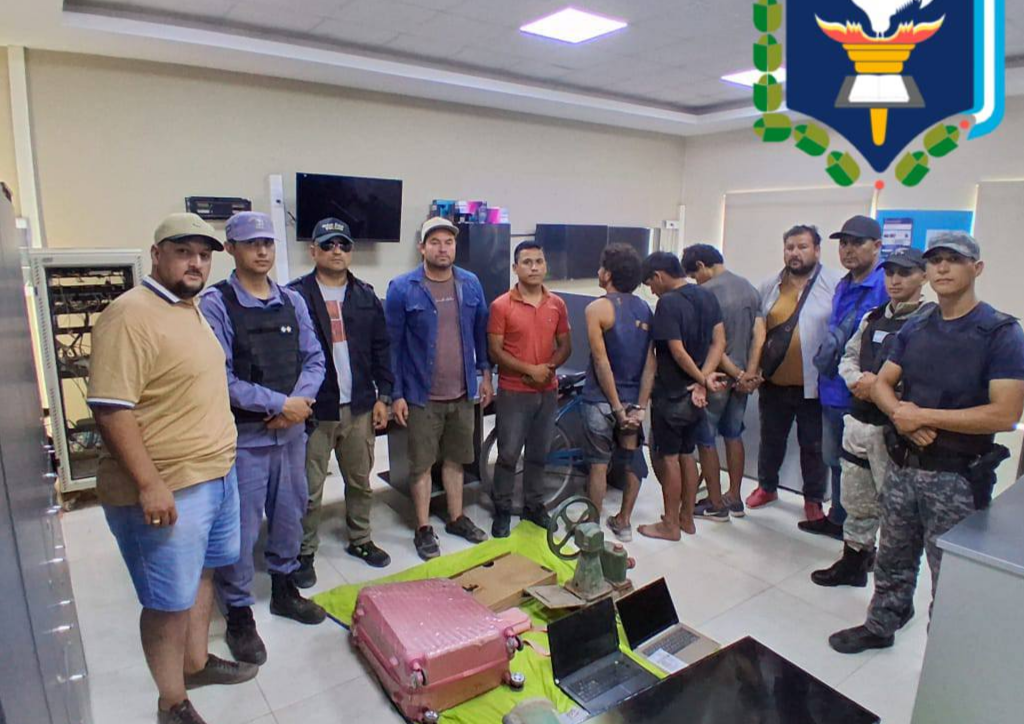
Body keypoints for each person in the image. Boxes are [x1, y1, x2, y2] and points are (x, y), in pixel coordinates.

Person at [87, 213, 256, 724]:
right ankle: (171, 702)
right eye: (184, 252)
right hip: (169, 488)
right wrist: (150, 484)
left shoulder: (189, 308)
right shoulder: (129, 315)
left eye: (203, 255)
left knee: (203, 575)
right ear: (157, 255)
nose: (196, 263)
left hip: (215, 475)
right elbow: (111, 409)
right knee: (167, 602)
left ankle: (195, 663)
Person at [830, 232, 1024, 654]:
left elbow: (1006, 414)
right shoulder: (917, 324)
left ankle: (945, 656)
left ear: (977, 268)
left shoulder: (1000, 332)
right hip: (904, 463)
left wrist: (923, 417)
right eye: (936, 260)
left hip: (956, 476)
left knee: (949, 572)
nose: (943, 268)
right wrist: (902, 415)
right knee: (893, 556)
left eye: (954, 260)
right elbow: (882, 383)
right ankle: (881, 624)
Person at [200, 212, 327, 667]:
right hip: (245, 440)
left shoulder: (292, 300)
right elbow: (221, 377)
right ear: (230, 248)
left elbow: (315, 359)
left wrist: (296, 405)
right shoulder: (216, 304)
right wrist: (278, 404)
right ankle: (238, 613)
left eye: (268, 243)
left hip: (290, 436)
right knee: (240, 530)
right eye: (252, 243)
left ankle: (284, 589)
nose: (262, 251)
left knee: (291, 514)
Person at [812, 246, 929, 587]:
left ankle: (891, 581)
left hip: (894, 431)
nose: (895, 280)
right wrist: (857, 381)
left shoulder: (928, 322)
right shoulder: (873, 317)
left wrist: (878, 388)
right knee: (856, 499)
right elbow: (849, 355)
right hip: (859, 420)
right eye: (890, 273)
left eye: (905, 273)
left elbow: (926, 376)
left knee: (895, 507)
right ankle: (853, 562)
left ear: (923, 276)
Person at [287, 218, 395, 584]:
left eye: (344, 245)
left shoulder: (365, 295)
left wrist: (384, 395)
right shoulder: (294, 296)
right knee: (309, 489)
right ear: (313, 250)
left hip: (360, 406)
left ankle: (360, 539)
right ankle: (304, 552)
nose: (337, 251)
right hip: (315, 411)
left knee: (360, 481)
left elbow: (382, 348)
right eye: (328, 244)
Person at [385, 217, 493, 560]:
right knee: (420, 465)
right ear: (422, 248)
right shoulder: (402, 288)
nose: (442, 248)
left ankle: (456, 517)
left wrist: (485, 375)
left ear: (455, 247)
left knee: (456, 459)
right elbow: (392, 346)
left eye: (448, 242)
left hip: (462, 392)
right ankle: (423, 527)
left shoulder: (470, 283)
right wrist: (396, 394)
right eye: (435, 242)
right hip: (421, 395)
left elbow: (480, 333)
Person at [747, 225, 841, 526]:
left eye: (802, 247)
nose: (795, 253)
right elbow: (758, 329)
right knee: (770, 440)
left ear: (817, 250)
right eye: (790, 248)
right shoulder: (770, 285)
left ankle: (813, 499)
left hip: (814, 387)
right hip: (774, 383)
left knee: (813, 446)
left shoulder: (834, 284)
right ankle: (767, 487)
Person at [802, 216, 888, 539]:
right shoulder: (844, 284)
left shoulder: (885, 286)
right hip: (832, 388)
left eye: (857, 243)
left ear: (877, 246)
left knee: (859, 466)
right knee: (835, 459)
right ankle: (838, 518)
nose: (848, 250)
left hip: (862, 393)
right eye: (844, 243)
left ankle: (859, 534)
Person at [487, 241, 572, 537]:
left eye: (539, 261)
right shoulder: (501, 305)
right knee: (508, 455)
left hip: (547, 392)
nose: (534, 267)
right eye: (527, 262)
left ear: (545, 266)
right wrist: (529, 370)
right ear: (515, 268)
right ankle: (502, 510)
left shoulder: (557, 304)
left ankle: (533, 506)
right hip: (513, 392)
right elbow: (495, 351)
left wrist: (547, 369)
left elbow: (565, 345)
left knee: (539, 453)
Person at [640, 251, 725, 541]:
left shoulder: (668, 303)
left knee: (669, 458)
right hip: (695, 396)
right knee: (688, 455)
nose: (652, 290)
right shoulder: (706, 296)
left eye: (650, 284)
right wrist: (703, 380)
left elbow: (676, 351)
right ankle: (687, 519)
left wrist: (700, 379)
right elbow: (718, 343)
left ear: (659, 276)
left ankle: (670, 524)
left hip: (672, 393)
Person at [682, 243, 766, 521]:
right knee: (733, 434)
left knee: (705, 438)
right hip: (743, 380)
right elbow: (759, 336)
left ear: (701, 266)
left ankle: (715, 503)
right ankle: (735, 497)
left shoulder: (705, 294)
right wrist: (748, 374)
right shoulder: (749, 288)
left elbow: (714, 344)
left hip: (716, 378)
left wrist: (736, 374)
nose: (695, 281)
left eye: (694, 275)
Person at [581, 243, 656, 542]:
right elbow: (650, 362)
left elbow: (602, 362)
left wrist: (615, 406)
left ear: (608, 274)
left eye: (602, 267)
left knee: (598, 465)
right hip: (633, 400)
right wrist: (640, 406)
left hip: (601, 401)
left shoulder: (596, 309)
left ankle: (592, 528)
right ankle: (623, 521)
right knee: (632, 458)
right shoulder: (645, 309)